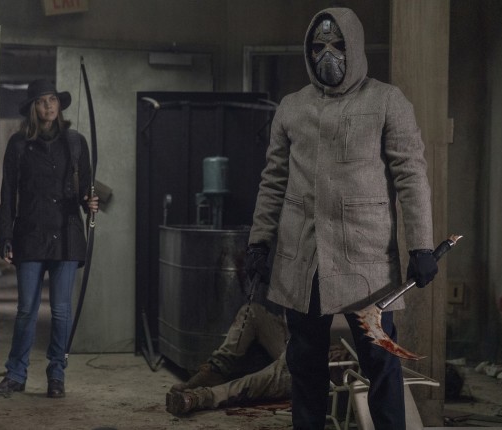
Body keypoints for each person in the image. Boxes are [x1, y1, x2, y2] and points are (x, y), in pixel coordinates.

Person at [245, 7, 438, 430]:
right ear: (308, 51)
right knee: (305, 364)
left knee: (381, 362)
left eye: (337, 44)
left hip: (366, 260)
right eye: (318, 46)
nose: (327, 54)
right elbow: (273, 181)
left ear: (354, 46)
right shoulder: (292, 107)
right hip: (304, 260)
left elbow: (411, 176)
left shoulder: (386, 101)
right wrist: (259, 242)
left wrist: (422, 245)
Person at [0, 79, 99, 398]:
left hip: (66, 235)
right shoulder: (19, 144)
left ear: (59, 104)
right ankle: (16, 374)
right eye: (41, 101)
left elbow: (86, 188)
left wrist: (90, 202)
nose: (49, 105)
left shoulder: (75, 142)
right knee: (26, 309)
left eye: (52, 99)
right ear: (32, 108)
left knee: (61, 311)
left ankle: (56, 375)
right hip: (30, 234)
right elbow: (8, 193)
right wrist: (5, 236)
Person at [165, 301, 355, 416]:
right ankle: (216, 369)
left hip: (325, 365)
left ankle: (198, 397)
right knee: (252, 311)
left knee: (253, 383)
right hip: (305, 340)